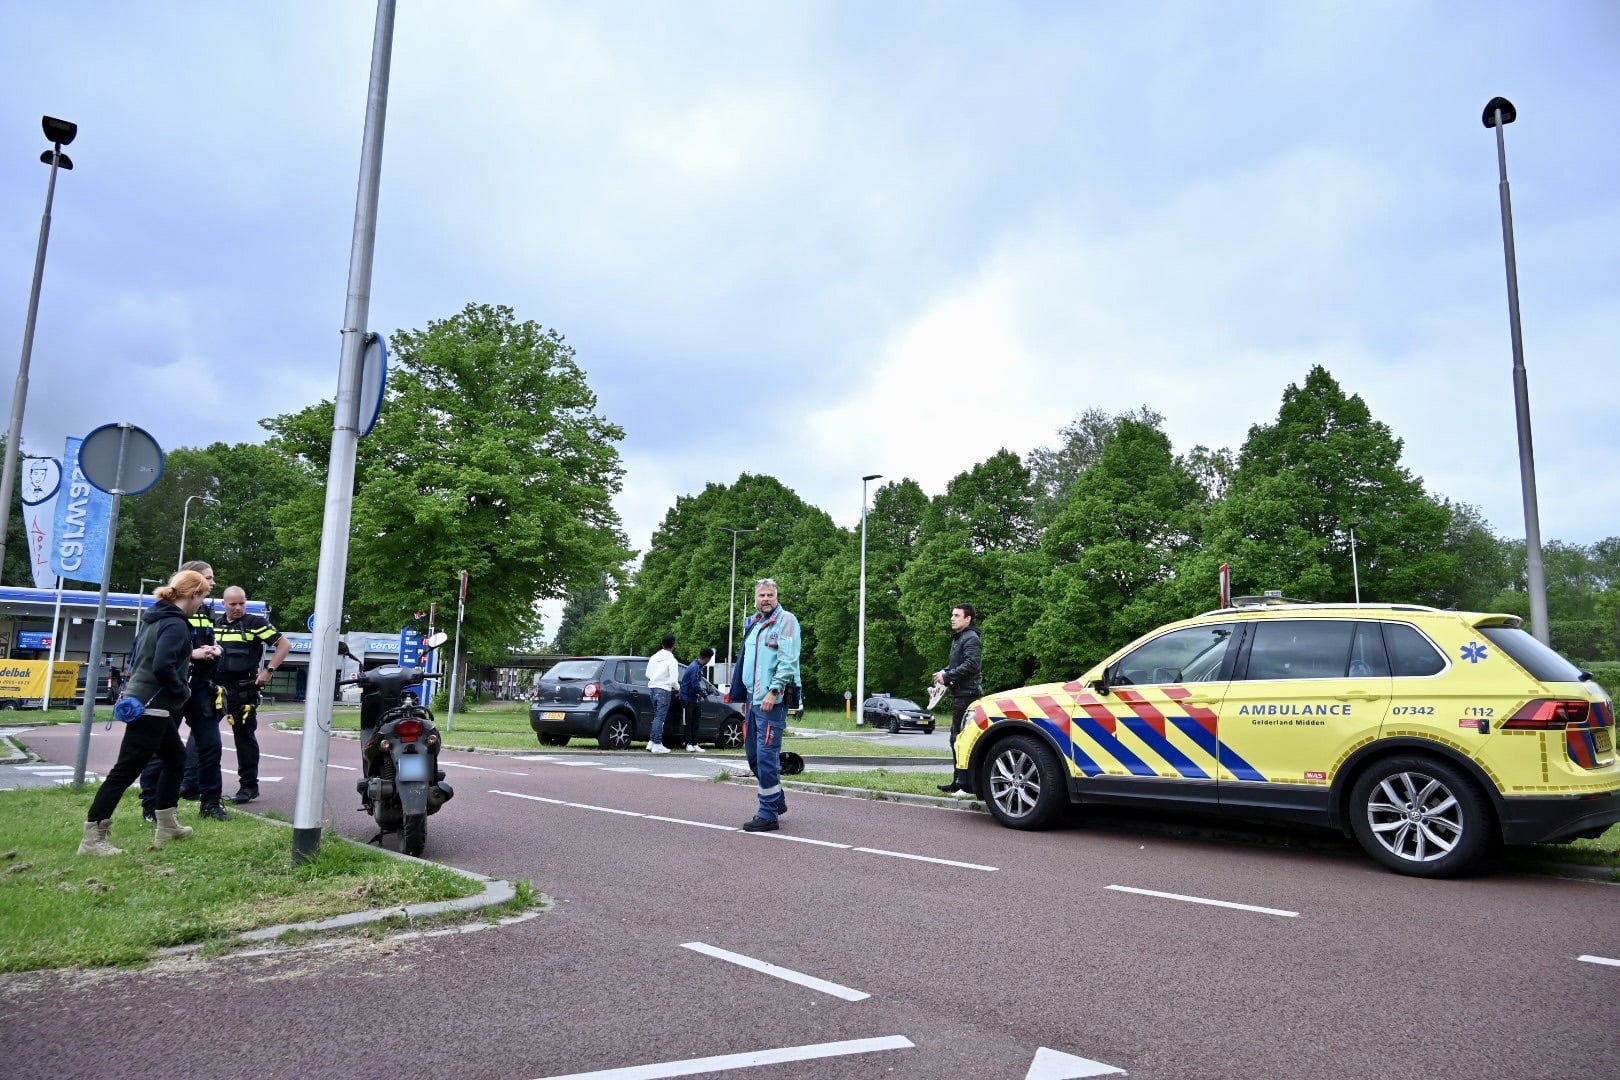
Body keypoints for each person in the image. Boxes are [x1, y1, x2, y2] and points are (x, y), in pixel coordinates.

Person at [77, 570, 210, 855]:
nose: (201, 604)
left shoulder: (154, 619)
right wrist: (182, 690)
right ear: (192, 594)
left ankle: (167, 823)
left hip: (146, 701)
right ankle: (93, 837)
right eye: (202, 597)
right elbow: (163, 665)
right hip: (154, 705)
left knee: (175, 759)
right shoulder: (175, 625)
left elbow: (140, 658)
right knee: (125, 770)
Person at [137, 560, 225, 822]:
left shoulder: (206, 610)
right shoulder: (166, 612)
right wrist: (192, 653)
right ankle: (152, 806)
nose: (213, 583)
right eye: (208, 578)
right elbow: (156, 652)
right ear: (192, 581)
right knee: (160, 748)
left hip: (200, 686)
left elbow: (208, 639)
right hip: (173, 687)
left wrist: (216, 650)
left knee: (211, 746)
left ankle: (210, 803)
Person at [729, 579, 800, 832]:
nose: (766, 599)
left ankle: (768, 813)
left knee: (767, 756)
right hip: (752, 700)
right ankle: (777, 799)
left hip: (772, 700)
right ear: (756, 598)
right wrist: (745, 698)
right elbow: (746, 661)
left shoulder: (786, 621)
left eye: (770, 595)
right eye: (762, 595)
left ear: (777, 596)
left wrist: (774, 691)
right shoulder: (754, 623)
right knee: (754, 757)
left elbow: (788, 661)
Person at [214, 586, 291, 804]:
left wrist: (269, 671)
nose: (238, 608)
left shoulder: (255, 623)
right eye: (233, 604)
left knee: (244, 738)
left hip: (242, 688)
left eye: (242, 603)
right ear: (224, 604)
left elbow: (284, 645)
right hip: (215, 687)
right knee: (203, 735)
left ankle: (248, 786)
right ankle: (193, 783)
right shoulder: (215, 624)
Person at [933, 603, 983, 793]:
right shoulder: (961, 638)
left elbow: (971, 665)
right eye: (952, 615)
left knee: (962, 740)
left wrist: (947, 676)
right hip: (961, 694)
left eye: (956, 615)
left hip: (967, 695)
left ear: (968, 618)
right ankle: (959, 783)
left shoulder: (970, 638)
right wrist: (944, 671)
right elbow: (959, 663)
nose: (952, 618)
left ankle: (965, 786)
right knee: (956, 739)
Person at [645, 634, 679, 754]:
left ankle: (652, 742)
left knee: (656, 716)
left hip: (653, 688)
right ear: (674, 645)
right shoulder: (672, 660)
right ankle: (658, 744)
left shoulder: (654, 657)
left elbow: (648, 674)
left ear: (662, 644)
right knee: (660, 717)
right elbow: (673, 680)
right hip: (664, 690)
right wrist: (677, 688)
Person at [678, 646, 715, 752]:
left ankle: (694, 743)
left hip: (695, 699)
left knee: (695, 722)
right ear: (707, 658)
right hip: (687, 698)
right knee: (688, 722)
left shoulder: (698, 667)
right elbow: (695, 684)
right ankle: (688, 743)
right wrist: (705, 695)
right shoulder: (694, 667)